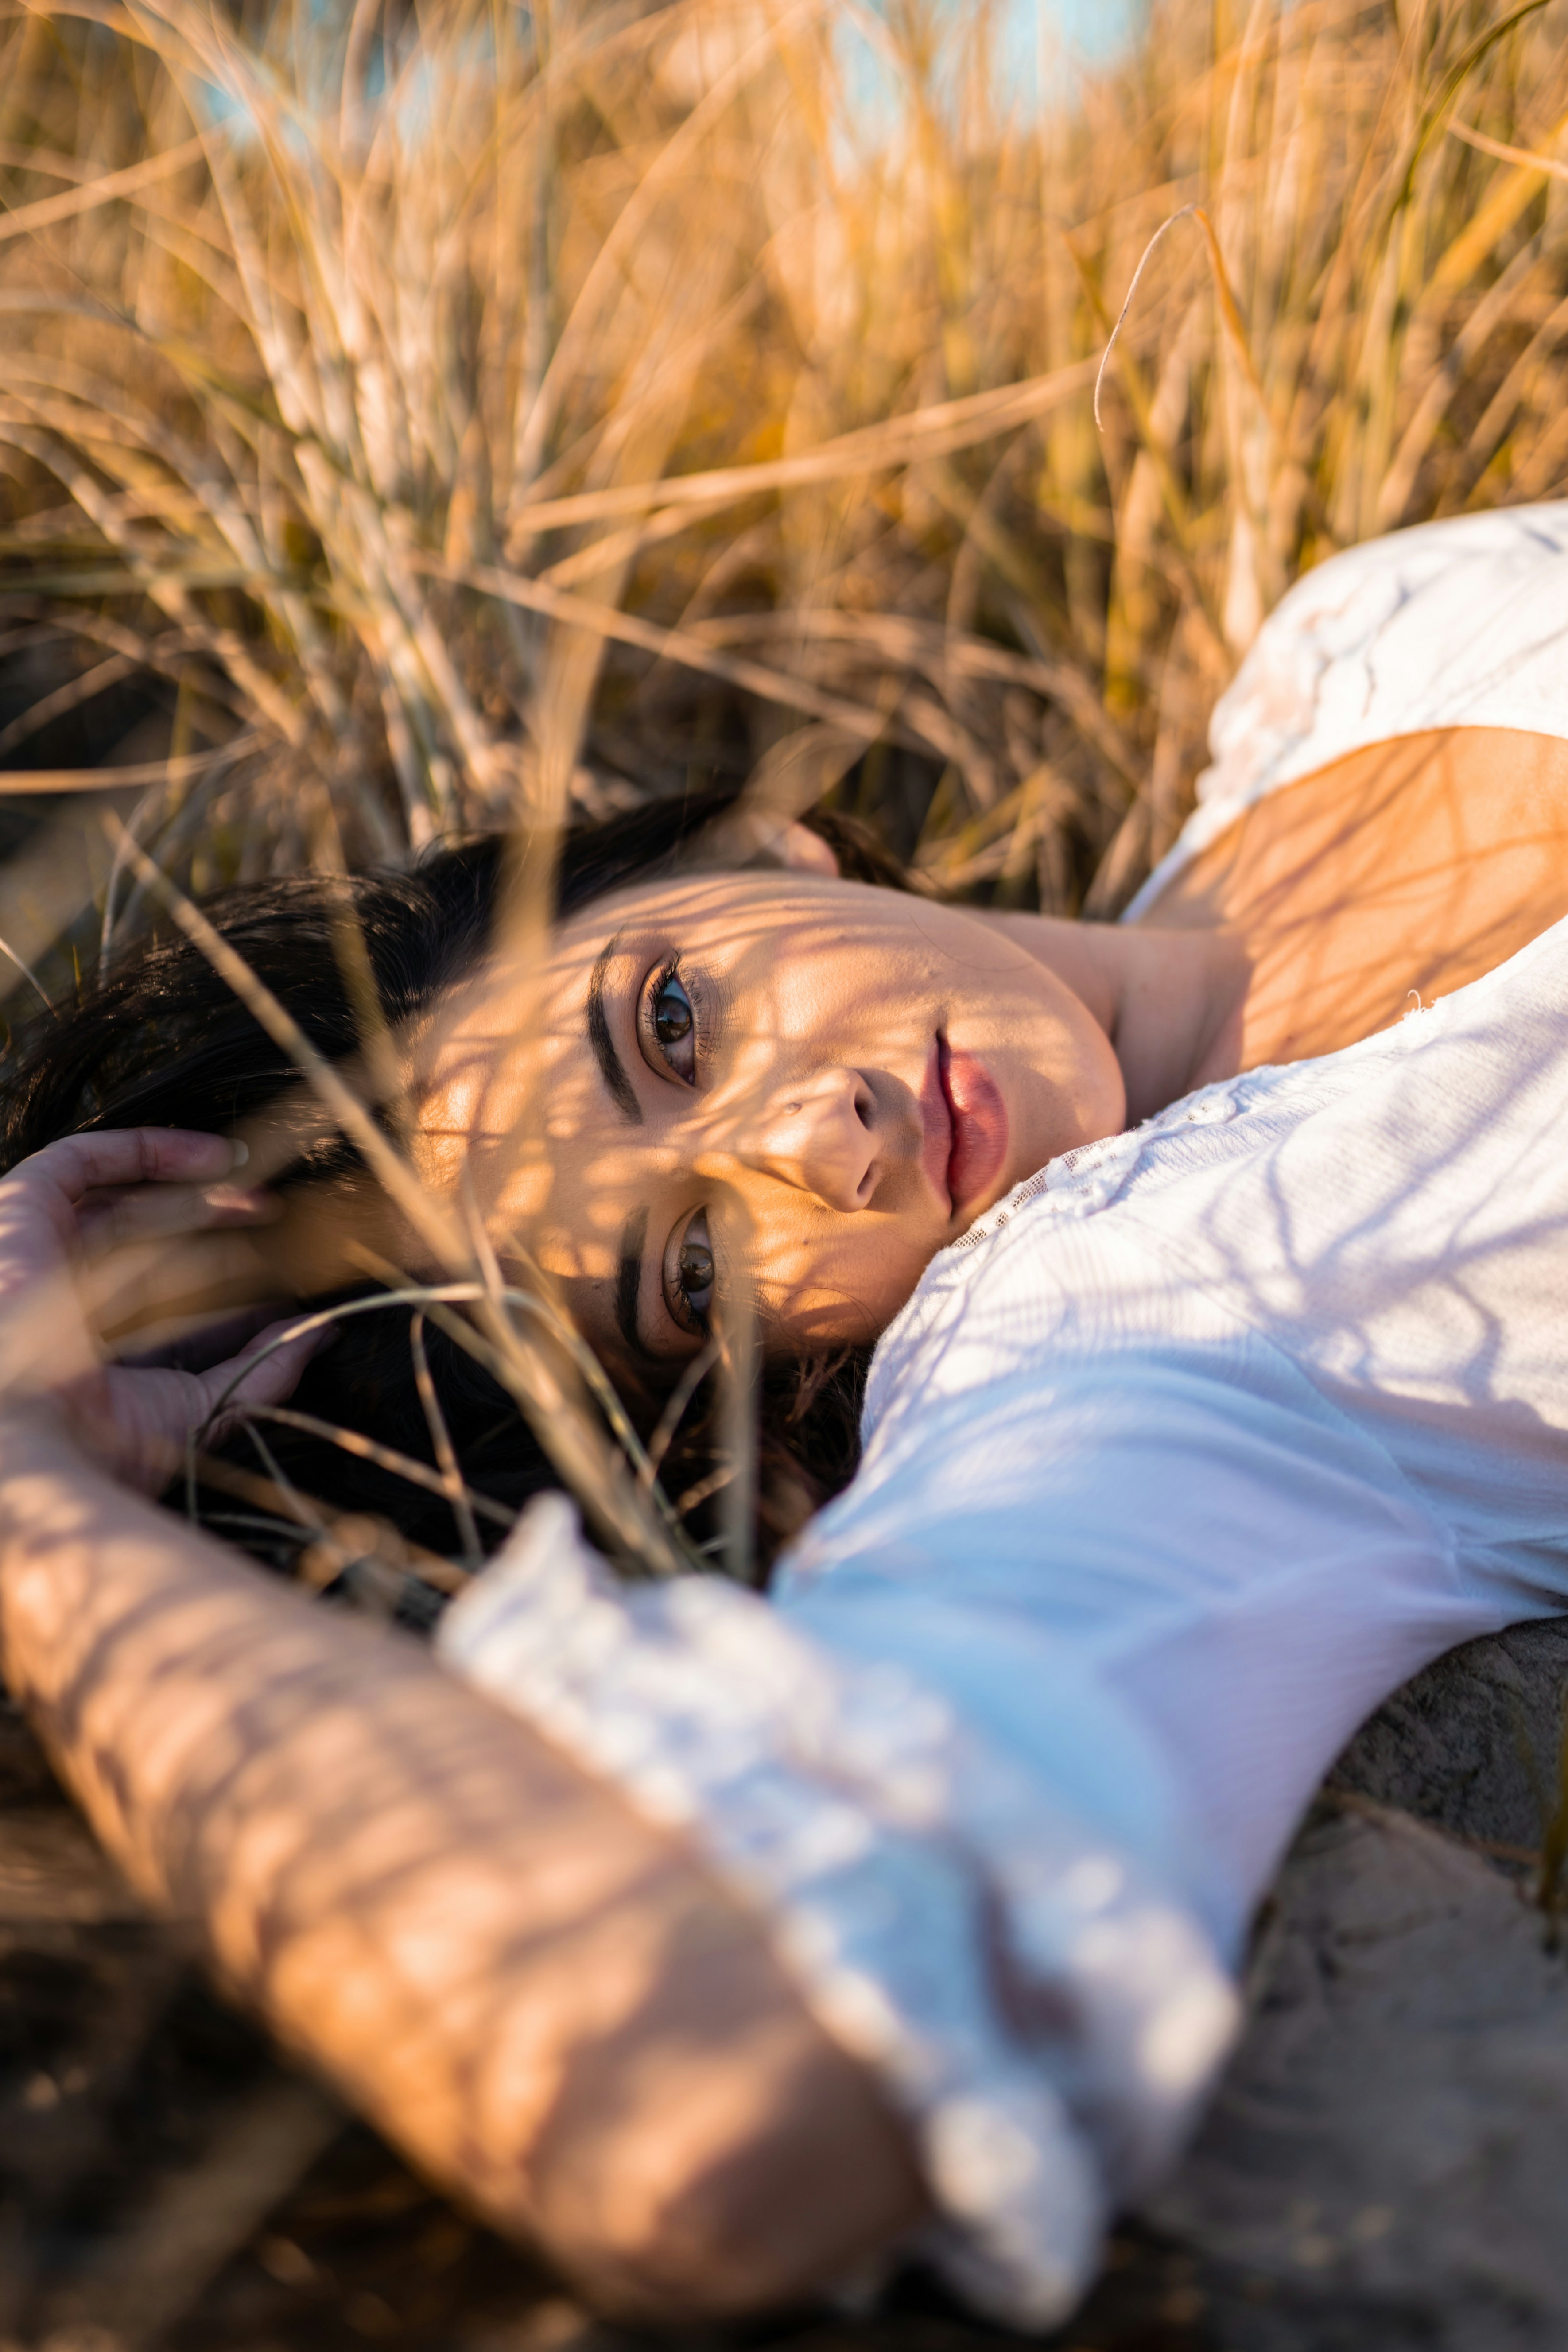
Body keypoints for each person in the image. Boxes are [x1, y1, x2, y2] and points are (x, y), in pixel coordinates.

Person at [4, 501, 1568, 2322]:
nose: (816, 1142)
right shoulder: (1127, 1351)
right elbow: (710, 2096)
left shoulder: (1358, 636)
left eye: (671, 1018)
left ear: (758, 841)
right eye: (696, 1269)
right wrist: (31, 1515)